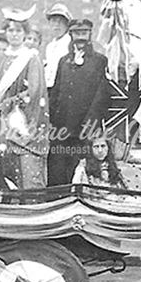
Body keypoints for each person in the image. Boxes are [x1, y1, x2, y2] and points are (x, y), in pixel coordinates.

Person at [0, 6, 50, 189]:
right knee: (5, 177)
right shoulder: (0, 59)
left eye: (19, 30)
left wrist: (13, 102)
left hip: (24, 124)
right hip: (3, 125)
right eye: (10, 30)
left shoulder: (31, 59)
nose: (14, 34)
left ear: (25, 34)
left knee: (28, 176)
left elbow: (36, 91)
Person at [48, 19, 110, 186]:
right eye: (77, 33)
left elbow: (102, 95)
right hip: (62, 127)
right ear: (71, 35)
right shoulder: (64, 61)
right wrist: (52, 119)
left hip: (85, 127)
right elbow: (56, 91)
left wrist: (90, 122)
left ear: (90, 34)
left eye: (84, 33)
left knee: (82, 169)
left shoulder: (99, 61)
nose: (80, 37)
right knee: (58, 169)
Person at [43, 3, 74, 89]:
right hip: (49, 87)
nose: (57, 25)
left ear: (67, 24)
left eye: (61, 21)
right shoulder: (50, 46)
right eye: (54, 21)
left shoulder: (70, 43)